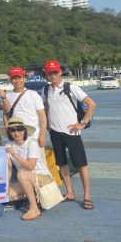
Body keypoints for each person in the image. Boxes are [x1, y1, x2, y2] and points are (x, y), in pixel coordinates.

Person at [41, 59, 96, 210]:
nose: (53, 75)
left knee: (81, 164)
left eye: (55, 72)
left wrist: (82, 123)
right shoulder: (45, 90)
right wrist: (47, 124)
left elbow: (91, 104)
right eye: (50, 73)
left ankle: (87, 196)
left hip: (72, 132)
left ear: (60, 72)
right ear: (46, 74)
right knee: (62, 163)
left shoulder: (70, 87)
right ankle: (70, 192)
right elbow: (45, 108)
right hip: (55, 132)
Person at [1, 117, 53, 221]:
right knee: (6, 194)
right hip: (25, 179)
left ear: (24, 130)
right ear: (9, 132)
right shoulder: (8, 145)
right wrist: (6, 185)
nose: (16, 132)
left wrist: (15, 155)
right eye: (13, 130)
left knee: (21, 174)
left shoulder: (31, 143)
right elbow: (9, 169)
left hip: (42, 178)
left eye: (19, 129)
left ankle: (34, 208)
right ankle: (31, 195)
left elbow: (30, 166)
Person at [4, 67, 47, 147]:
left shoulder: (33, 95)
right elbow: (6, 115)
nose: (17, 81)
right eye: (14, 78)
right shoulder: (7, 95)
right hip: (16, 138)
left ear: (24, 79)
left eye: (19, 78)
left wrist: (42, 135)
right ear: (10, 80)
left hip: (34, 137)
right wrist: (8, 132)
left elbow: (42, 116)